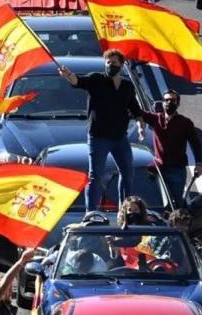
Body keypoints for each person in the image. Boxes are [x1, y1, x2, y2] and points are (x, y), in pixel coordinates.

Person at [58, 50, 143, 211]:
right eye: (108, 63)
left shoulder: (127, 86)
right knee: (95, 177)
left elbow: (134, 108)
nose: (111, 65)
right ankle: (90, 213)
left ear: (122, 64)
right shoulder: (96, 79)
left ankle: (124, 210)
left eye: (114, 63)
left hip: (120, 138)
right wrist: (68, 74)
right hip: (98, 138)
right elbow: (78, 82)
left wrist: (140, 126)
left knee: (127, 174)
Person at [136, 89, 202, 206]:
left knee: (177, 203)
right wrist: (140, 127)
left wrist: (199, 164)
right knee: (156, 201)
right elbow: (137, 112)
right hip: (158, 169)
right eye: (166, 100)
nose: (169, 103)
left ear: (177, 103)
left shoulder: (185, 123)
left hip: (177, 170)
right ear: (162, 103)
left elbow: (196, 143)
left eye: (172, 100)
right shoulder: (156, 118)